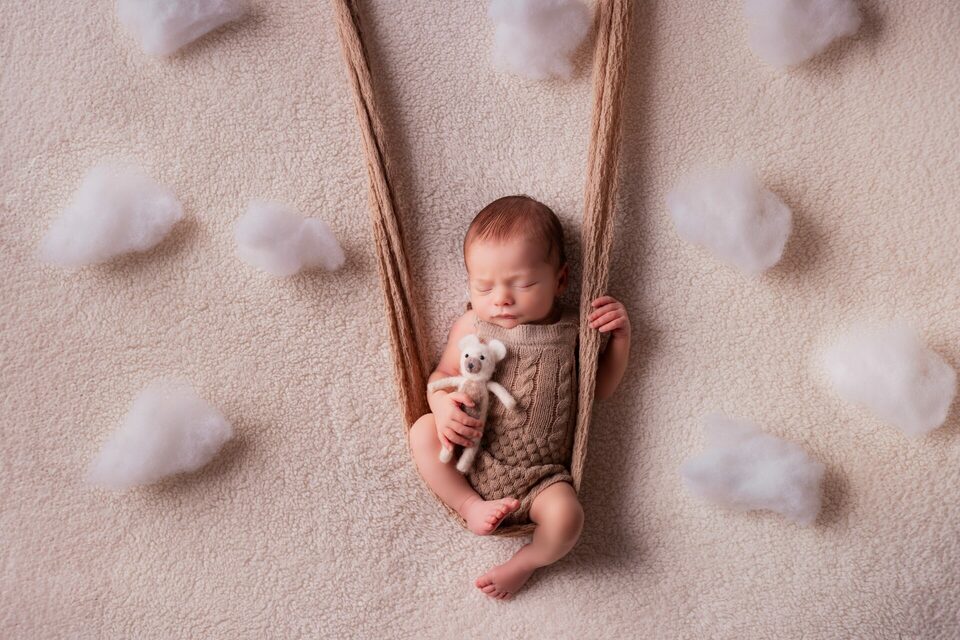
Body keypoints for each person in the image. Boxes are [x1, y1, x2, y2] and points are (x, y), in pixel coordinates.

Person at [408, 194, 631, 600]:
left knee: (568, 519)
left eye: (523, 284)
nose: (501, 299)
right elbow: (441, 377)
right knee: (422, 431)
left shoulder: (573, 332)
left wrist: (619, 340)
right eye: (484, 286)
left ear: (560, 280)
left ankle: (526, 562)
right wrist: (441, 409)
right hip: (471, 456)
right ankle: (469, 505)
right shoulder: (471, 325)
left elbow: (599, 390)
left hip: (542, 479)